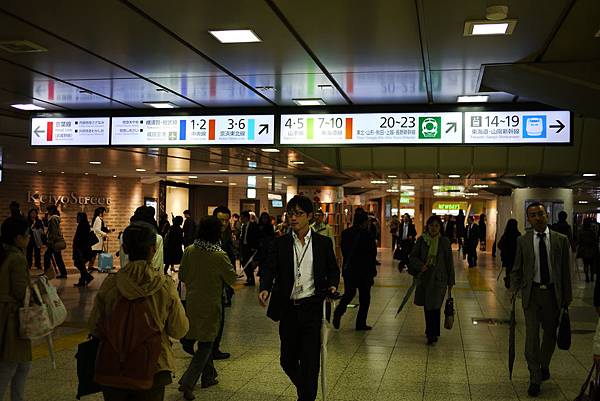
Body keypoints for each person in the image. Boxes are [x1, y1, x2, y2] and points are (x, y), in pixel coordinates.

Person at [88, 222, 189, 401]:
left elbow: (94, 325)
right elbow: (179, 329)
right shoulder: (164, 285)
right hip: (154, 366)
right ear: (154, 248)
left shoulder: (111, 284)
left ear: (125, 249)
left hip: (113, 367)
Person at [258, 195, 339, 401]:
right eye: (290, 214)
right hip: (288, 309)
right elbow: (269, 268)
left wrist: (332, 284)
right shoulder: (281, 243)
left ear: (309, 216)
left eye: (299, 214)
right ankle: (306, 392)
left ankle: (306, 397)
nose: (293, 218)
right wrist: (265, 287)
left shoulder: (323, 243)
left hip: (312, 308)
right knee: (287, 360)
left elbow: (333, 270)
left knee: (311, 362)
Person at [510, 202, 572, 397]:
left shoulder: (560, 240)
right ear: (528, 219)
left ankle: (544, 364)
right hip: (532, 294)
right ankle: (534, 376)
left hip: (553, 294)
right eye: (533, 215)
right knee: (531, 337)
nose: (537, 218)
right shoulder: (523, 241)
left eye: (540, 214)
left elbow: (565, 272)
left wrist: (567, 298)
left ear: (547, 216)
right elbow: (517, 268)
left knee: (550, 334)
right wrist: (514, 288)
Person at [178, 217, 237, 400]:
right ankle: (187, 382)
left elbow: (182, 275)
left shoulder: (189, 251)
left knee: (195, 339)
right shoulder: (219, 255)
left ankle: (209, 376)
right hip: (211, 304)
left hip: (193, 302)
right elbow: (232, 279)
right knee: (206, 344)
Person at [408, 215, 454, 345]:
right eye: (431, 225)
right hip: (425, 279)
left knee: (435, 306)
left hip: (440, 279)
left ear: (440, 228)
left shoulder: (444, 241)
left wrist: (451, 281)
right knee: (428, 306)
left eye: (436, 226)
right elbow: (412, 257)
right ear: (427, 226)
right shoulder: (421, 240)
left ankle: (433, 333)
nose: (433, 228)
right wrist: (420, 265)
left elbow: (449, 262)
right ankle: (430, 332)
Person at [0, 216, 32, 401]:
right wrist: (44, 281)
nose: (28, 238)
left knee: (21, 364)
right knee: (10, 366)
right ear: (17, 238)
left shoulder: (3, 254)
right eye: (26, 235)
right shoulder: (17, 259)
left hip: (5, 316)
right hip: (12, 320)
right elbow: (22, 293)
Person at [333, 208, 377, 330]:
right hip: (364, 272)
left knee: (349, 293)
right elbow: (371, 255)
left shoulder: (346, 233)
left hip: (350, 270)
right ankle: (360, 323)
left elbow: (344, 251)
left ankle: (339, 312)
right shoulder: (368, 235)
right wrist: (373, 271)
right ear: (364, 222)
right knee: (364, 298)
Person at [211, 205, 236, 360]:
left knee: (219, 318)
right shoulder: (206, 236)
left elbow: (229, 255)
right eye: (220, 220)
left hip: (221, 283)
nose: (223, 224)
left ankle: (214, 349)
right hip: (208, 284)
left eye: (226, 221)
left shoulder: (225, 236)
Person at [119, 206, 164, 273]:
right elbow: (157, 264)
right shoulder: (157, 238)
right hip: (149, 279)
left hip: (127, 277)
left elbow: (124, 260)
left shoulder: (124, 236)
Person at [43, 205, 68, 278]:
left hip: (54, 242)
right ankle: (63, 273)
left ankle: (47, 273)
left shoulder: (53, 218)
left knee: (47, 256)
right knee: (58, 258)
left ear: (51, 210)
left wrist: (51, 241)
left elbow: (53, 231)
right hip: (56, 241)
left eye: (48, 210)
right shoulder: (55, 218)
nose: (48, 212)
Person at [498, 219, 521, 289]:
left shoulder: (506, 234)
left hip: (507, 257)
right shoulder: (518, 234)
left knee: (508, 270)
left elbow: (499, 245)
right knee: (515, 271)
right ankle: (514, 283)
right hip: (515, 257)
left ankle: (508, 283)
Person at [73, 212, 94, 287]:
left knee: (79, 264)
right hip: (83, 249)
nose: (77, 218)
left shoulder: (82, 226)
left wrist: (78, 249)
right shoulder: (84, 225)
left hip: (81, 249)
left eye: (78, 217)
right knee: (81, 264)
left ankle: (87, 278)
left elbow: (81, 239)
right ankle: (83, 280)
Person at [239, 211, 259, 286]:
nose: (241, 219)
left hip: (250, 247)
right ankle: (249, 277)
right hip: (244, 247)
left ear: (246, 217)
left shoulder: (253, 225)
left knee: (249, 264)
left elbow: (255, 236)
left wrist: (254, 247)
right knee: (244, 263)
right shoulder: (243, 226)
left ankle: (251, 280)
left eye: (242, 217)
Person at [577, 218, 599, 283]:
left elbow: (579, 241)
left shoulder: (581, 231)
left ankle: (587, 277)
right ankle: (592, 277)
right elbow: (595, 241)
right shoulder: (592, 232)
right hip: (591, 250)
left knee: (585, 264)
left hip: (584, 250)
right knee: (592, 265)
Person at [256, 212, 275, 278]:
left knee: (266, 264)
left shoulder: (269, 226)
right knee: (261, 263)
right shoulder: (258, 226)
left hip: (267, 248)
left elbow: (272, 237)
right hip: (260, 248)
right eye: (263, 218)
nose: (264, 220)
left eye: (266, 218)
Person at [89, 207, 108, 272]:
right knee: (98, 254)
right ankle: (101, 268)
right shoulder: (98, 219)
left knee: (94, 254)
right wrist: (105, 234)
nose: (104, 213)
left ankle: (91, 267)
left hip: (96, 239)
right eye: (104, 212)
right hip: (97, 239)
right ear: (100, 213)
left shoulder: (97, 218)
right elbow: (97, 230)